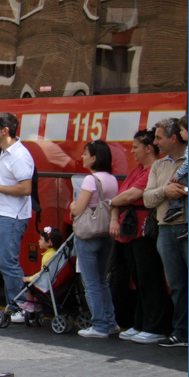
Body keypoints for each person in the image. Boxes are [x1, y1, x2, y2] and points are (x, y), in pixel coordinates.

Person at [110, 129, 173, 344]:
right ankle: (141, 323)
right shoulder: (137, 170)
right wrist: (115, 204)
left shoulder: (153, 169)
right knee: (138, 278)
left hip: (144, 229)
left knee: (149, 277)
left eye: (135, 147)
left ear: (148, 148)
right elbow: (122, 195)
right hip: (130, 230)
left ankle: (156, 325)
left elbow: (130, 195)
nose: (132, 151)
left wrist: (112, 203)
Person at [0, 112, 35, 324]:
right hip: (5, 213)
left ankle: (19, 306)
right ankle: (16, 304)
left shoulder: (19, 155)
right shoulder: (6, 152)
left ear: (5, 130)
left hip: (12, 216)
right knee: (5, 263)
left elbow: (25, 188)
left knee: (7, 263)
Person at [143, 116, 187, 347]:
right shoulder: (159, 166)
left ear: (173, 138)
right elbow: (148, 198)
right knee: (177, 284)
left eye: (159, 137)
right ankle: (182, 332)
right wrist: (165, 191)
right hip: (166, 230)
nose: (155, 142)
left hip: (187, 227)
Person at [69, 139, 120, 338]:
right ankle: (111, 321)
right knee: (102, 280)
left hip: (88, 234)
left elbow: (79, 208)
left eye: (85, 154)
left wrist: (73, 206)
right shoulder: (112, 179)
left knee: (90, 282)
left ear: (94, 158)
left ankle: (99, 325)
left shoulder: (90, 180)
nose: (82, 157)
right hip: (106, 232)